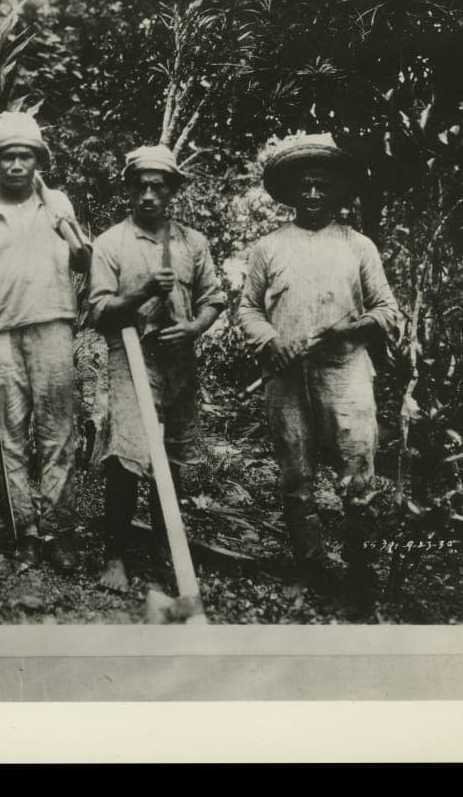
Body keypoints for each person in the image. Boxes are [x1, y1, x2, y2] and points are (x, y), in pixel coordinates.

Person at [237, 133, 402, 610]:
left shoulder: (358, 245)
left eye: (320, 185)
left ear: (335, 191)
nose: (312, 194)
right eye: (304, 186)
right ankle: (308, 564)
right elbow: (248, 310)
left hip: (345, 371)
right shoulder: (269, 248)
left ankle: (359, 571)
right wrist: (272, 340)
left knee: (356, 474)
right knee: (296, 475)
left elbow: (387, 309)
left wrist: (354, 326)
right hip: (286, 377)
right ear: (290, 192)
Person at [0, 111, 91, 569]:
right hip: (0, 332)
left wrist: (69, 231)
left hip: (53, 325)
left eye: (25, 155)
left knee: (58, 434)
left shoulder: (58, 206)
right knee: (10, 437)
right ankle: (25, 531)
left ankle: (61, 530)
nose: (15, 164)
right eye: (7, 156)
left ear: (38, 161)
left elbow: (83, 262)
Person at [87, 146, 226, 591]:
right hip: (131, 357)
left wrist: (193, 328)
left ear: (172, 191)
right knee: (127, 455)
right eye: (140, 186)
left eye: (158, 186)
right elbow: (99, 311)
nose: (148, 195)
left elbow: (213, 299)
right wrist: (143, 291)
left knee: (175, 458)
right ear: (128, 190)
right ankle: (115, 555)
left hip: (179, 361)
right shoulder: (111, 243)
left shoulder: (192, 242)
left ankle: (167, 548)